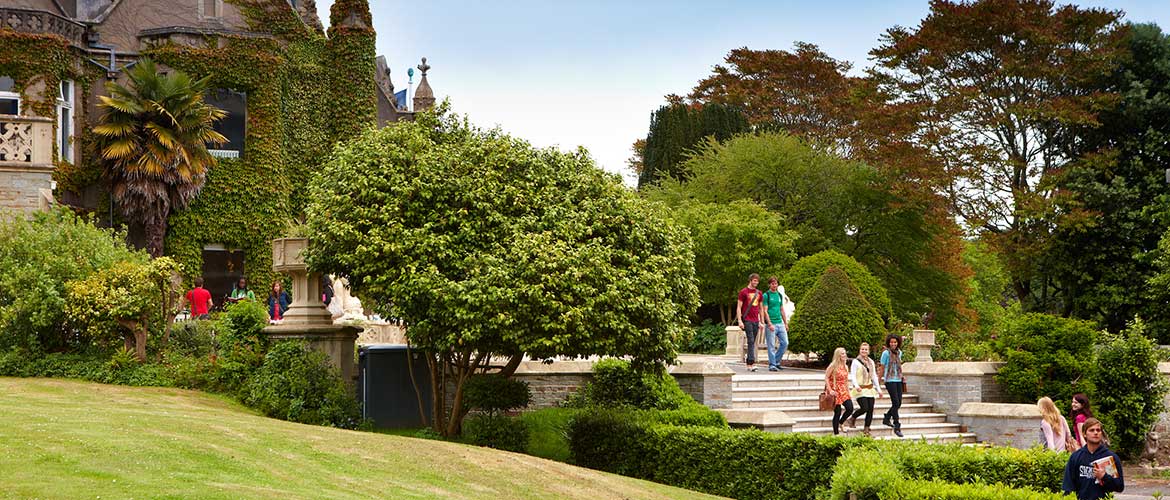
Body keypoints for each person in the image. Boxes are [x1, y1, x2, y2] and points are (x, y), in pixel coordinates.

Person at [1062, 417, 1124, 500]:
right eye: (1091, 430)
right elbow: (1068, 487)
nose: (1095, 433)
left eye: (1098, 430)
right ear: (1084, 434)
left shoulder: (1111, 457)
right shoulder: (1076, 457)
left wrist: (1104, 476)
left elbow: (1119, 487)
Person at [847, 342, 882, 436]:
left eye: (866, 349)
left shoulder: (871, 362)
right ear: (860, 350)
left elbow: (874, 376)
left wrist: (879, 389)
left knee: (870, 409)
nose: (864, 351)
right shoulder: (856, 361)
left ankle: (866, 429)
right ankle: (853, 417)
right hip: (860, 388)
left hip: (869, 388)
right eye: (862, 349)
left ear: (868, 351)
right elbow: (853, 375)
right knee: (864, 408)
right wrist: (856, 385)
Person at [736, 273, 764, 372]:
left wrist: (761, 321)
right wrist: (740, 321)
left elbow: (761, 308)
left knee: (752, 342)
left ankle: (749, 363)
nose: (756, 282)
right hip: (747, 320)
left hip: (756, 320)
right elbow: (739, 307)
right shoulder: (743, 292)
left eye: (757, 281)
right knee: (751, 340)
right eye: (754, 280)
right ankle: (752, 363)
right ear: (750, 280)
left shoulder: (759, 293)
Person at [761, 277, 790, 371]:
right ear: (769, 284)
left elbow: (782, 309)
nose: (774, 285)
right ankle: (772, 365)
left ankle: (776, 361)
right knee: (771, 345)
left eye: (776, 283)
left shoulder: (779, 295)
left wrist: (785, 323)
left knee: (785, 343)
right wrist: (769, 323)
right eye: (772, 284)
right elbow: (765, 310)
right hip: (771, 323)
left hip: (780, 322)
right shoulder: (766, 295)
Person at [879, 334, 905, 437]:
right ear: (888, 343)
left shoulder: (899, 352)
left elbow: (899, 365)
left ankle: (887, 417)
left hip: (898, 379)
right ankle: (897, 426)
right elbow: (882, 367)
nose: (893, 344)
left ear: (898, 343)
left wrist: (902, 376)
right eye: (891, 342)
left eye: (895, 342)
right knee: (895, 402)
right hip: (889, 380)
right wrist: (878, 380)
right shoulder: (885, 353)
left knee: (899, 403)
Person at [825, 347, 853, 435]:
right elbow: (826, 377)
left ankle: (841, 422)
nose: (844, 355)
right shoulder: (833, 365)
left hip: (843, 389)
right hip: (835, 389)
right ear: (838, 355)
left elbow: (846, 380)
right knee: (837, 412)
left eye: (845, 353)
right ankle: (836, 433)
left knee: (850, 408)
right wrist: (830, 390)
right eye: (842, 354)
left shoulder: (845, 366)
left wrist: (848, 392)